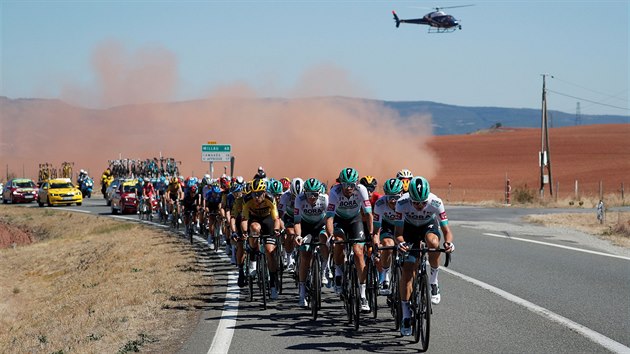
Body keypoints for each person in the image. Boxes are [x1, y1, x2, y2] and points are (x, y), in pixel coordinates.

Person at [394, 176, 454, 336]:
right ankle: (406, 315)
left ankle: (434, 282)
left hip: (428, 226)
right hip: (409, 229)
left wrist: (448, 243)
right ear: (410, 198)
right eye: (415, 203)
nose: (419, 206)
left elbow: (447, 231)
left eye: (422, 202)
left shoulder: (436, 202)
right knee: (407, 272)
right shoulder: (401, 203)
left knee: (434, 244)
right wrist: (401, 243)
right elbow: (398, 234)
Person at [326, 167, 374, 313]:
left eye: (351, 185)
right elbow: (329, 217)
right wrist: (330, 236)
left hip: (355, 220)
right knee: (339, 243)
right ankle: (339, 272)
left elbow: (369, 215)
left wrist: (371, 234)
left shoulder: (362, 190)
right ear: (340, 183)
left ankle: (363, 294)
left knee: (359, 252)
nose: (348, 188)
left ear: (356, 184)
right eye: (345, 185)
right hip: (339, 220)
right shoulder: (334, 192)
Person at [241, 178, 282, 299]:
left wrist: (276, 230)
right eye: (254, 193)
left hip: (268, 220)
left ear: (264, 192)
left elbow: (276, 219)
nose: (256, 197)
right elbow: (244, 219)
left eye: (259, 194)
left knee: (270, 251)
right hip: (254, 220)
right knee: (254, 228)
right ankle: (253, 258)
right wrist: (244, 232)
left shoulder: (270, 198)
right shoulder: (247, 199)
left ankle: (273, 282)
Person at [294, 178, 329, 307]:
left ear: (319, 193)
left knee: (324, 240)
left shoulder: (325, 199)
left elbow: (330, 218)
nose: (312, 197)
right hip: (306, 227)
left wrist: (331, 234)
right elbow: (297, 221)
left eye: (315, 194)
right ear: (305, 193)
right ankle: (302, 291)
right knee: (305, 257)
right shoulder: (299, 199)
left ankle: (324, 269)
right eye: (309, 194)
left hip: (320, 225)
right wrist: (298, 236)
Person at [372, 178, 403, 295]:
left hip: (404, 227)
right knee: (388, 245)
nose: (393, 201)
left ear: (401, 194)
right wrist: (376, 244)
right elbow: (376, 230)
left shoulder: (406, 201)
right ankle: (385, 275)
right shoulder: (380, 204)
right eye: (390, 197)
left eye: (396, 197)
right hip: (387, 227)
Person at [278, 178, 303, 272]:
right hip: (289, 217)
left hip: (302, 217)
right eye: (294, 196)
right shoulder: (285, 196)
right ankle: (289, 258)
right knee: (290, 233)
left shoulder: (306, 195)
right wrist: (282, 228)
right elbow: (279, 215)